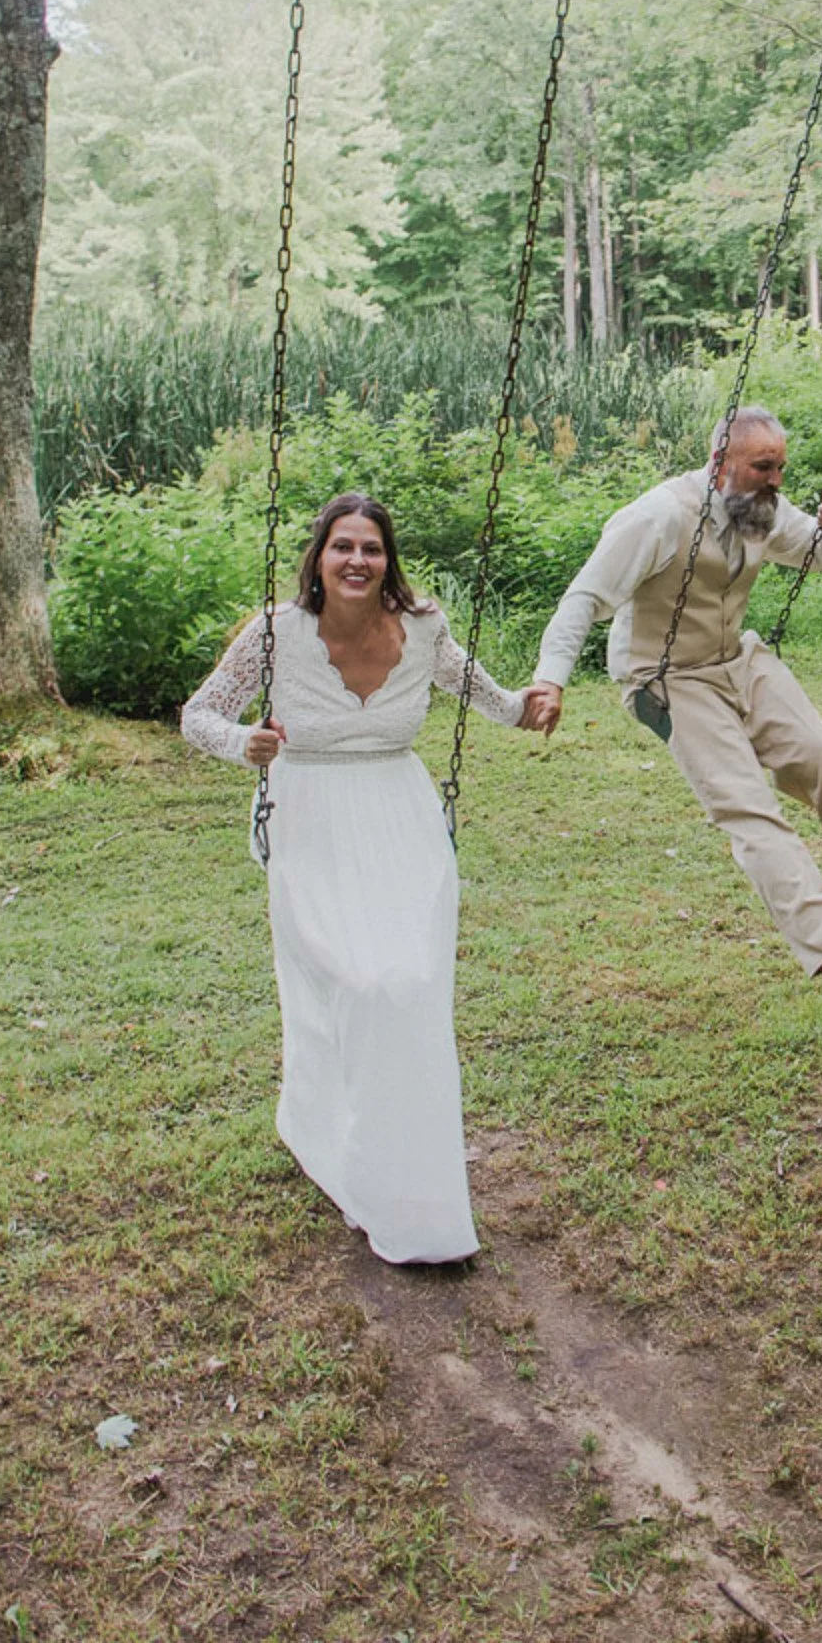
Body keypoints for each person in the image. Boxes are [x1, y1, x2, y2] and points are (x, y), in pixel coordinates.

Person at [182, 491, 544, 1266]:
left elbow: (485, 695)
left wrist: (526, 710)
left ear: (389, 561)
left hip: (402, 821)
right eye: (342, 546)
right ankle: (328, 1134)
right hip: (311, 820)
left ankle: (415, 1190)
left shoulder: (425, 628)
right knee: (354, 985)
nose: (356, 560)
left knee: (407, 988)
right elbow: (198, 714)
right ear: (318, 556)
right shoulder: (276, 633)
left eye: (371, 548)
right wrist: (244, 742)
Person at [526, 409, 822, 986]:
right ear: (720, 464)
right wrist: (550, 677)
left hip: (737, 658)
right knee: (744, 802)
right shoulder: (657, 517)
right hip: (665, 676)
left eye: (781, 466)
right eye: (764, 466)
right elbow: (583, 596)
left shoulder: (760, 508)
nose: (777, 479)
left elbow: (816, 555)